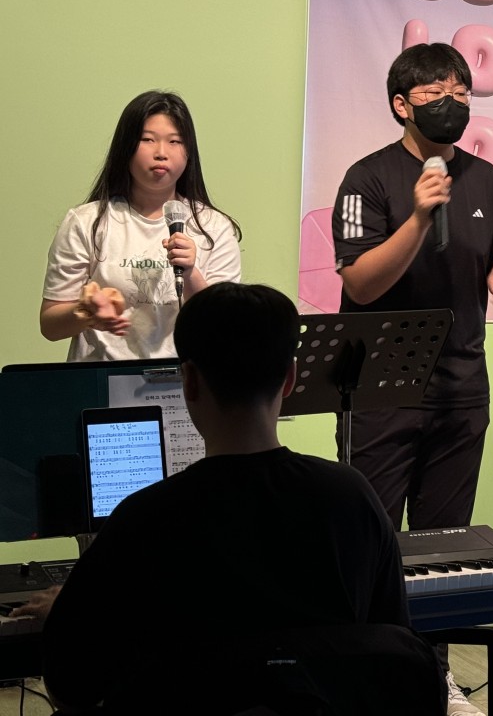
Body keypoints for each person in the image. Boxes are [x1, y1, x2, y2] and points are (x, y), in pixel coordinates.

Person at [34, 282, 443, 715]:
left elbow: (71, 687)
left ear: (189, 380)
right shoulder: (353, 497)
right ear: (290, 379)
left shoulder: (143, 517)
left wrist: (65, 614)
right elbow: (389, 653)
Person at [331, 42, 493, 716]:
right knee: (375, 542)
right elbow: (361, 282)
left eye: (462, 91)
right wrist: (417, 216)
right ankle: (368, 676)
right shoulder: (367, 178)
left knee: (444, 547)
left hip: (462, 389)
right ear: (401, 105)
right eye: (437, 92)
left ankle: (433, 675)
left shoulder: (487, 180)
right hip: (381, 391)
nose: (453, 102)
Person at [40, 90, 241, 361]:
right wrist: (88, 312)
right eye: (147, 140)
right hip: (101, 379)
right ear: (126, 148)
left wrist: (191, 273)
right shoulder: (87, 222)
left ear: (189, 152)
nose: (161, 153)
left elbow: (226, 328)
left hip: (183, 380)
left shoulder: (214, 227)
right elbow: (50, 326)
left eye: (175, 141)